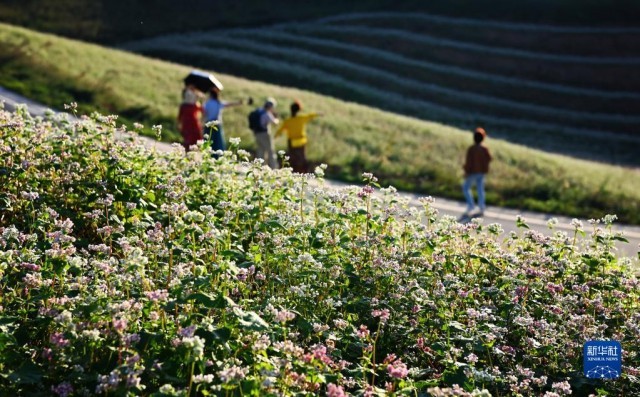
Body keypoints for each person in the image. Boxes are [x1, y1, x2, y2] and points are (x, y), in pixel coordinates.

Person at [275, 100, 321, 173]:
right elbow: (310, 115)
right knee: (302, 158)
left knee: (292, 158)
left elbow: (280, 131)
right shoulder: (301, 118)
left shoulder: (288, 121)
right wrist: (319, 114)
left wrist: (275, 136)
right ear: (298, 110)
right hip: (301, 141)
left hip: (292, 142)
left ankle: (293, 172)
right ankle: (304, 173)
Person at [203, 86, 249, 157]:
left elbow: (204, 113)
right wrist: (239, 103)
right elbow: (229, 104)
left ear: (210, 95)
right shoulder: (218, 103)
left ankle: (208, 156)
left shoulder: (207, 103)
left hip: (209, 123)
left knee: (209, 141)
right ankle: (219, 156)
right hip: (217, 123)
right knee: (218, 142)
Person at [462, 127, 492, 216]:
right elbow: (489, 158)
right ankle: (481, 207)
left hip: (472, 172)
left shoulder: (472, 149)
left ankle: (471, 205)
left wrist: (466, 171)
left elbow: (468, 162)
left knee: (466, 187)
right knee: (480, 189)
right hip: (482, 172)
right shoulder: (484, 148)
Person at [252, 98, 280, 169]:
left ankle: (259, 167)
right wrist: (276, 118)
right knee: (270, 151)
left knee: (261, 151)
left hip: (257, 134)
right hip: (265, 134)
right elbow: (275, 122)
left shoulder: (259, 110)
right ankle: (274, 168)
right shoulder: (267, 113)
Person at [177, 84, 204, 151]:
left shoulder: (184, 105)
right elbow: (202, 110)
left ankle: (189, 153)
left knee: (189, 139)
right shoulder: (195, 104)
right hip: (193, 123)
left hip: (187, 123)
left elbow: (179, 116)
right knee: (194, 139)